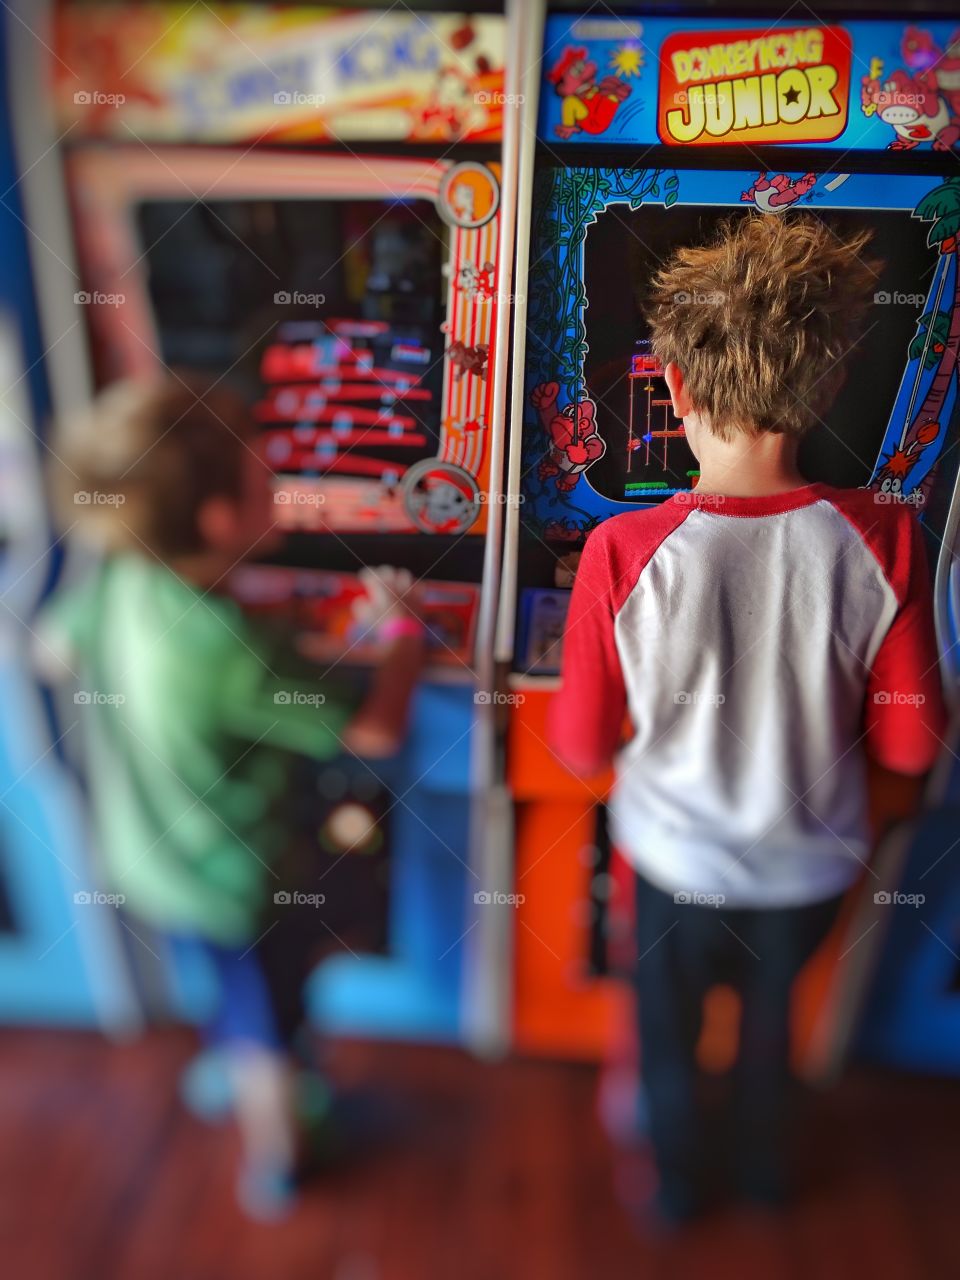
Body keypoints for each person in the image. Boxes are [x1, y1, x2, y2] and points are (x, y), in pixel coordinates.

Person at [549, 213, 948, 1223]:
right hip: (810, 867)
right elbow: (911, 744)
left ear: (671, 387)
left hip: (676, 863)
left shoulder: (621, 554)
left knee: (669, 1037)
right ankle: (771, 1176)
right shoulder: (888, 540)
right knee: (775, 1028)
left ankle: (678, 1192)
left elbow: (581, 745)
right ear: (824, 384)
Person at [35, 377, 426, 1218]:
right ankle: (279, 1158)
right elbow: (376, 735)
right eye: (264, 478)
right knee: (268, 1024)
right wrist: (401, 633)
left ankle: (239, 1054)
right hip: (239, 886)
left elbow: (51, 647)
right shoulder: (231, 655)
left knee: (226, 984)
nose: (278, 484)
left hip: (147, 858)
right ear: (217, 520)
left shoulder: (122, 576)